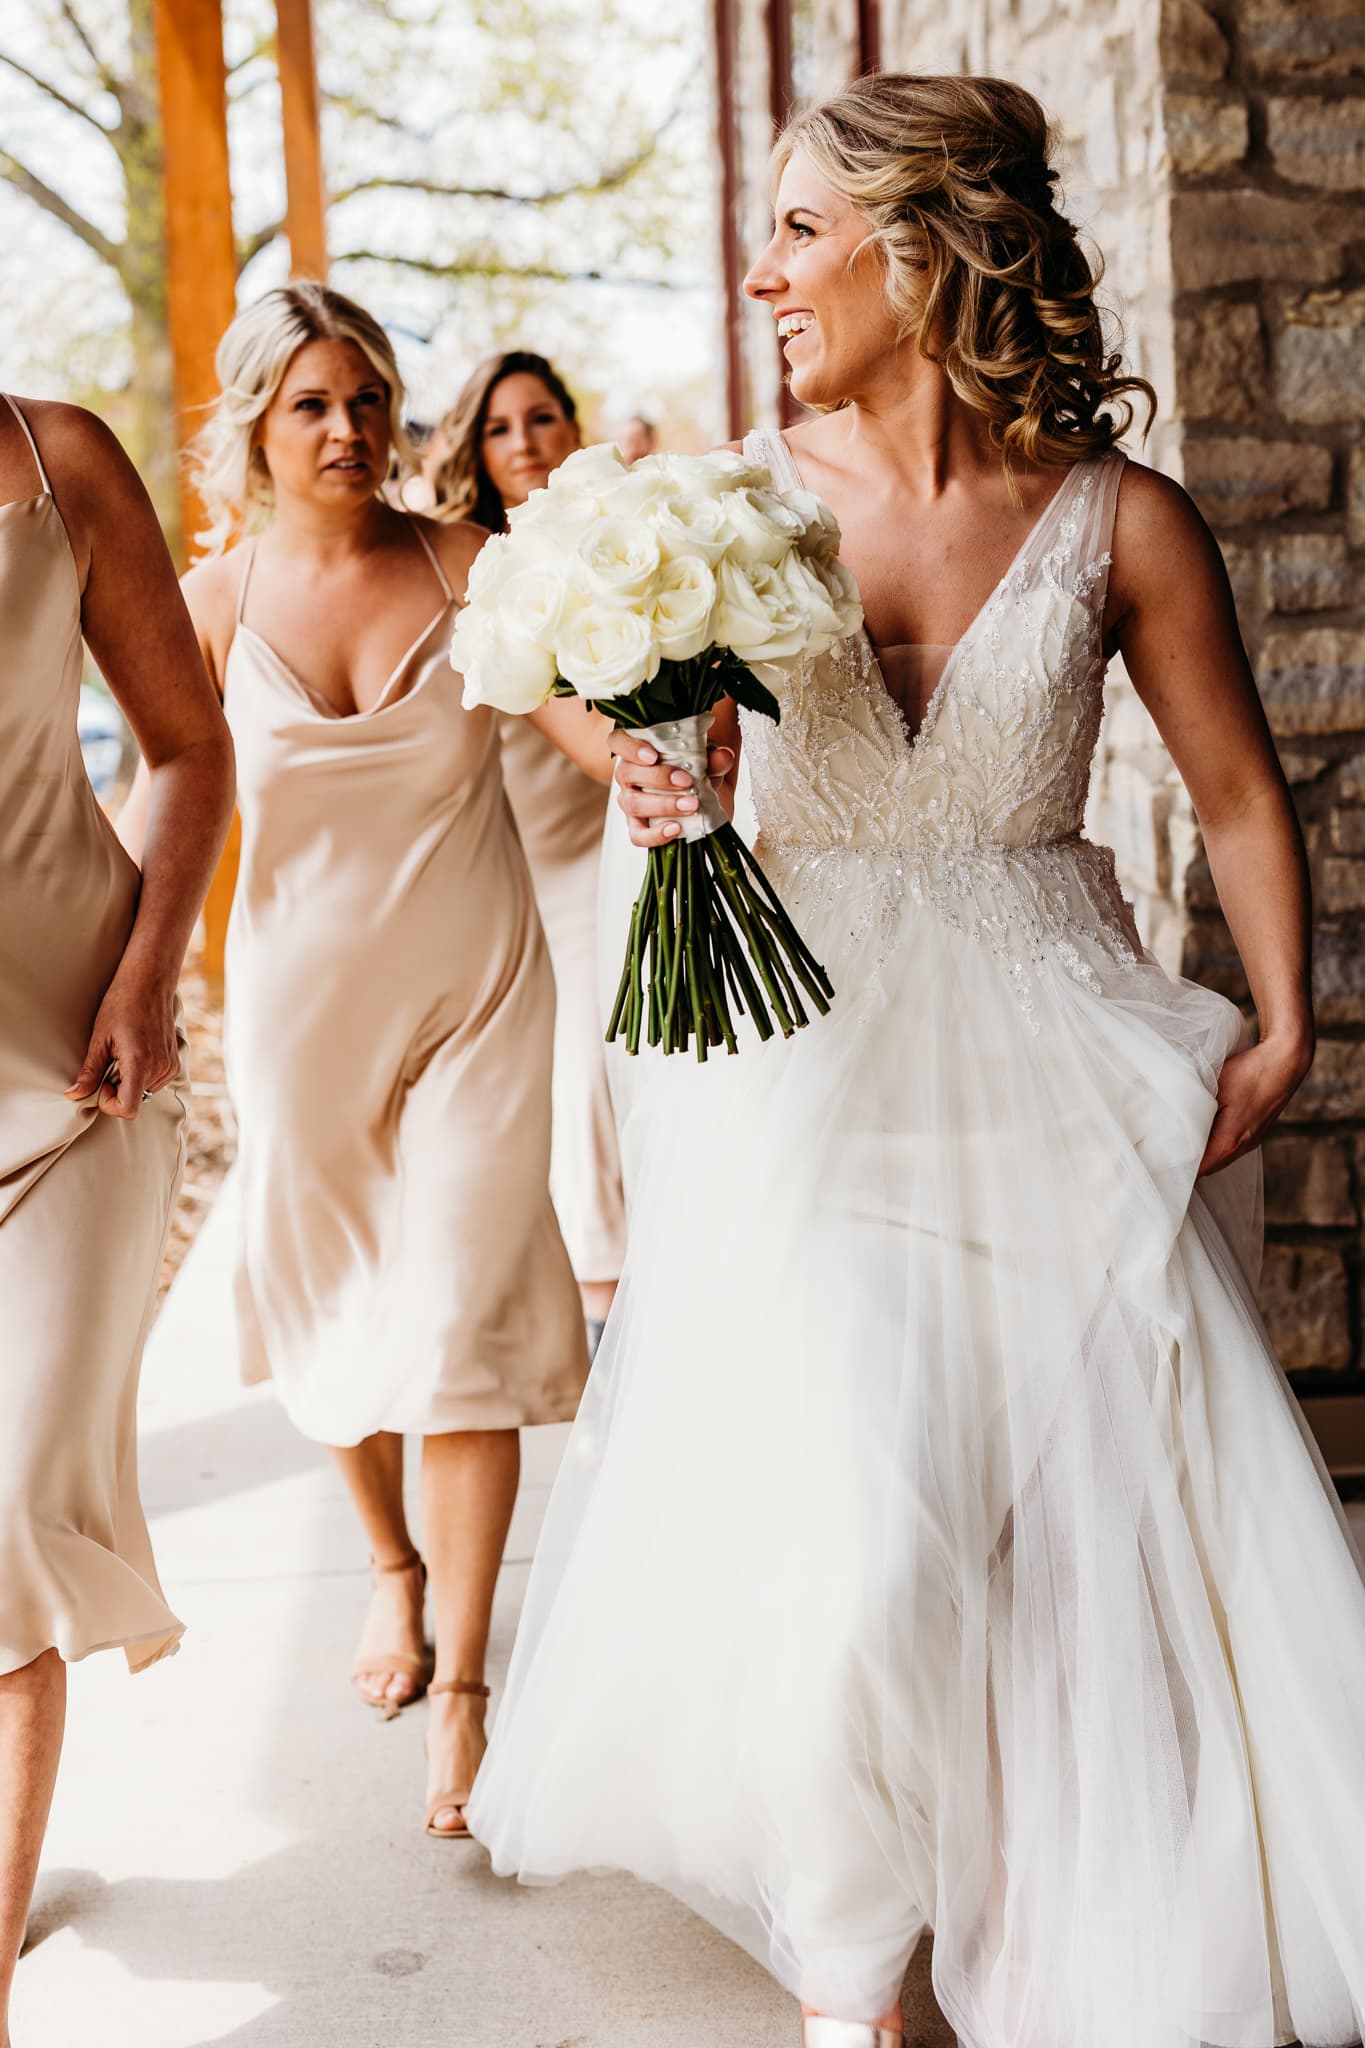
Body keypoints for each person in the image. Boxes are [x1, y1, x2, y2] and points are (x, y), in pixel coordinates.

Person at [467, 74, 1365, 2048]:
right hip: (807, 1074)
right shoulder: (724, 508)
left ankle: (1059, 1926)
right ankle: (852, 1982)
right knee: (859, 1547)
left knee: (1063, 1547)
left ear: (927, 245)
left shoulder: (1121, 518)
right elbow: (591, 696)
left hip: (1054, 1057)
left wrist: (1290, 1018)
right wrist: (644, 768)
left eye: (800, 230)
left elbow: (1233, 787)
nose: (762, 273)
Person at [122, 284, 594, 1838]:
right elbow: (156, 813)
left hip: (478, 996)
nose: (348, 429)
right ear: (257, 424)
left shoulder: (470, 567)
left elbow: (585, 728)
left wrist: (669, 755)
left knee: (462, 1317)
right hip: (299, 1013)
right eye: (313, 404)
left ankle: (464, 1685)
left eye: (369, 398)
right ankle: (389, 1565)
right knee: (334, 1318)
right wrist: (118, 986)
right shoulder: (208, 603)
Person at [0, 392, 234, 2046]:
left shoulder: (54, 461)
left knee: (10, 1519)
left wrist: (148, 979)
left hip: (74, 1073)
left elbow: (188, 745)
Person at [429, 352, 626, 1342]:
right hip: (513, 855)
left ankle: (618, 1278)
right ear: (473, 448)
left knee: (608, 1059)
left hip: (612, 833)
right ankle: (586, 1286)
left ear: (571, 427)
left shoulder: (627, 542)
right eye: (498, 427)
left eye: (540, 417)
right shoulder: (456, 569)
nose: (523, 442)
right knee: (554, 1074)